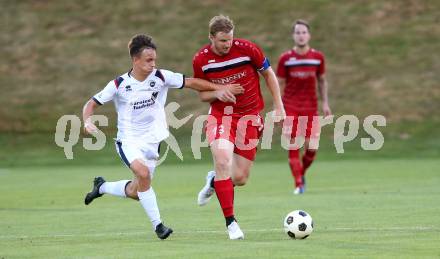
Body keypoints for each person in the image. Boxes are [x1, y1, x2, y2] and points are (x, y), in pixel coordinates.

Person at [82, 34, 243, 240]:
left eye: (154, 60)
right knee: (143, 174)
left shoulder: (161, 77)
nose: (153, 64)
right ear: (135, 60)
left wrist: (221, 88)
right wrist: (87, 121)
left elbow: (192, 82)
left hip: (153, 142)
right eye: (149, 60)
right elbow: (91, 104)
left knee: (136, 190)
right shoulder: (119, 84)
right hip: (129, 141)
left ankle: (101, 187)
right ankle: (159, 226)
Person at [193, 15, 285, 240]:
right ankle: (231, 223)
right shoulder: (201, 60)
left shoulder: (248, 49)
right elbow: (202, 94)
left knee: (241, 177)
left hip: (250, 118)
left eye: (230, 39)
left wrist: (279, 105)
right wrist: (217, 92)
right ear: (211, 38)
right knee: (223, 159)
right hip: (221, 117)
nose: (228, 45)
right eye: (223, 41)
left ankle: (215, 181)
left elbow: (268, 75)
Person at [276, 19, 332, 195]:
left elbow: (322, 81)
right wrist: (278, 109)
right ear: (293, 36)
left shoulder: (317, 58)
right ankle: (298, 184)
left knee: (312, 148)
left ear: (309, 35)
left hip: (311, 108)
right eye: (297, 32)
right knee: (294, 145)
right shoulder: (285, 59)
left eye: (303, 32)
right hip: (290, 107)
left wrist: (326, 103)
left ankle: (301, 173)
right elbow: (279, 84)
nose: (301, 35)